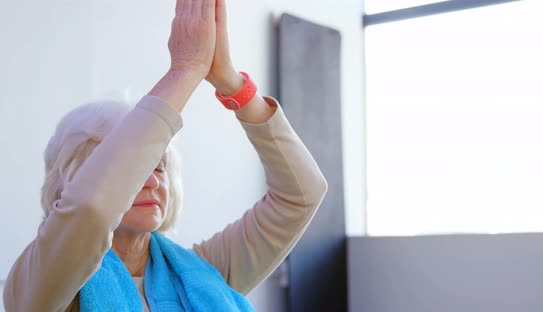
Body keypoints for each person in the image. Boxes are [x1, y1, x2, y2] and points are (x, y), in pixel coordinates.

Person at [2, 0, 328, 310]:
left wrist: (231, 83)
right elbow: (91, 211)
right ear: (73, 179)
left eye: (159, 167)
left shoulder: (201, 273)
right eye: (133, 169)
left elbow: (301, 195)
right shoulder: (41, 282)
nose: (149, 179)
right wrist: (185, 70)